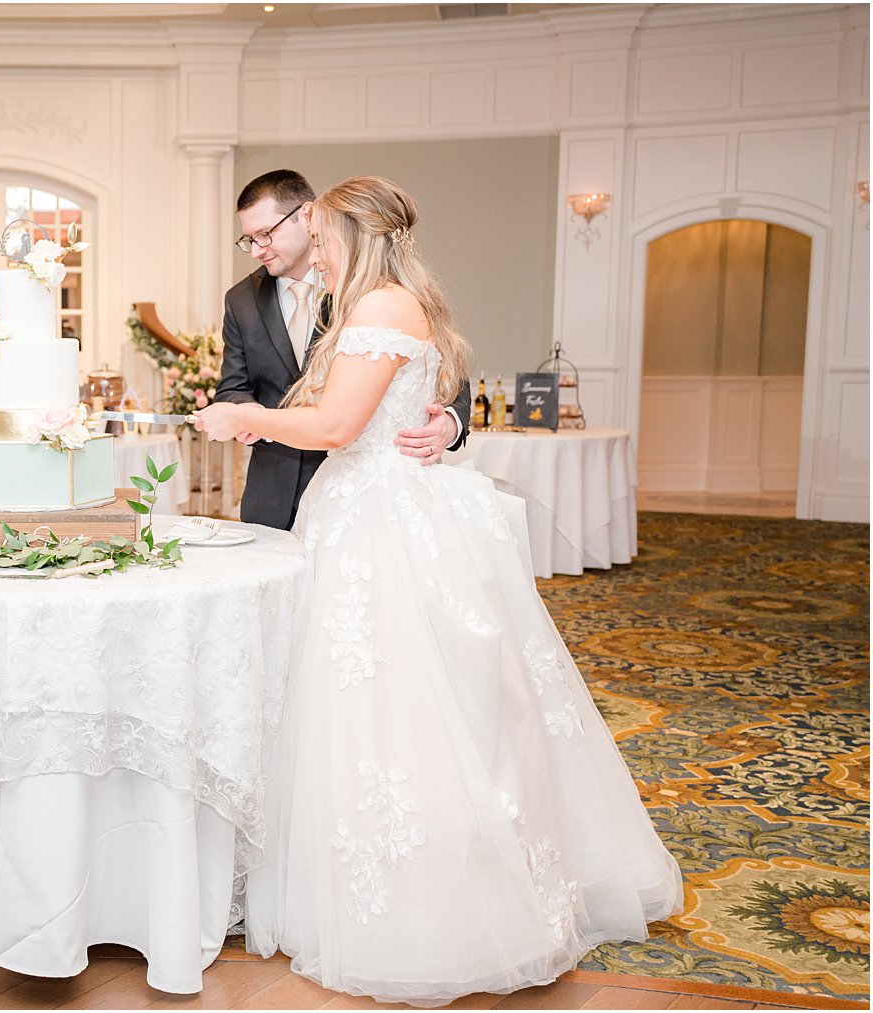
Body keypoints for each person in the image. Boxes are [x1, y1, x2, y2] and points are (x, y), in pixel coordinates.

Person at [193, 176, 681, 1006]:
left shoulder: (378, 305)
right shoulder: (320, 298)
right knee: (352, 701)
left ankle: (425, 891)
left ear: (340, 230)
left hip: (376, 514)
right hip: (328, 507)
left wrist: (241, 420)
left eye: (314, 226)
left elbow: (344, 425)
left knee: (397, 702)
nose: (304, 242)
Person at [215, 169, 470, 530]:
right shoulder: (241, 299)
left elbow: (444, 368)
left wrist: (450, 421)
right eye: (249, 239)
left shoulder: (372, 297)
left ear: (305, 217)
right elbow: (233, 387)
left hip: (370, 496)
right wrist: (243, 413)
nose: (257, 249)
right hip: (277, 486)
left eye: (266, 234)